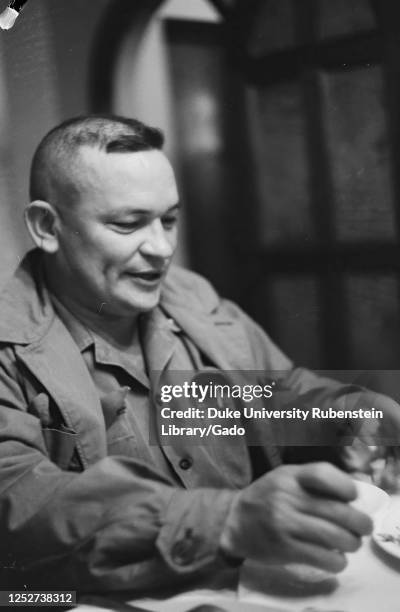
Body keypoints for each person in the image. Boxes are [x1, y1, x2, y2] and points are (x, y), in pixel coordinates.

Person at [0, 115, 398, 594]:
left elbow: (281, 395)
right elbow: (21, 502)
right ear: (47, 226)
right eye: (128, 224)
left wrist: (349, 414)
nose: (163, 248)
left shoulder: (193, 297)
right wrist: (226, 522)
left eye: (168, 219)